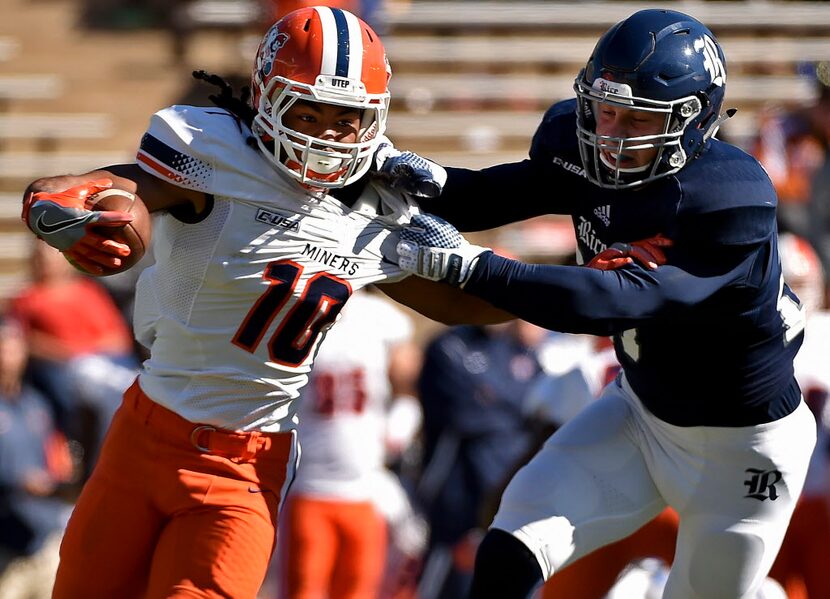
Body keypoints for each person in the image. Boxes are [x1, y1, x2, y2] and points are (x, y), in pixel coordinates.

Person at [19, 6, 503, 598]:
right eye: (309, 110)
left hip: (243, 468)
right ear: (266, 98)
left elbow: (463, 304)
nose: (326, 133)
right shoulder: (216, 155)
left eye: (345, 117)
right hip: (141, 437)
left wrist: (560, 281)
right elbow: (121, 191)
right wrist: (67, 204)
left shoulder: (374, 208)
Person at [390, 8, 817, 599]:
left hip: (743, 451)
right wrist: (411, 178)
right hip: (640, 415)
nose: (610, 136)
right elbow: (490, 195)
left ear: (693, 123)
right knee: (510, 546)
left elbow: (608, 302)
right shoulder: (578, 144)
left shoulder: (728, 196)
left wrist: (471, 266)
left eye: (634, 120)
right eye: (604, 111)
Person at [278, 288, 422, 599]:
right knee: (303, 589)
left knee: (361, 588)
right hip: (308, 483)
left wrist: (403, 416)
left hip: (366, 486)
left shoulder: (381, 318)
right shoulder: (297, 312)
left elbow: (407, 381)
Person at [415, 319, 548, 599]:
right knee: (446, 586)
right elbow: (465, 414)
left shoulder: (521, 351)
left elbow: (540, 407)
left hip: (507, 494)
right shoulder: (450, 346)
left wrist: (495, 399)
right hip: (457, 498)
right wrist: (514, 410)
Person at [0, 316, 75, 599]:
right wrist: (18, 481)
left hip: (43, 539)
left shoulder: (36, 404)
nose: (7, 352)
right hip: (5, 547)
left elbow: (56, 458)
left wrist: (63, 480)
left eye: (13, 345)